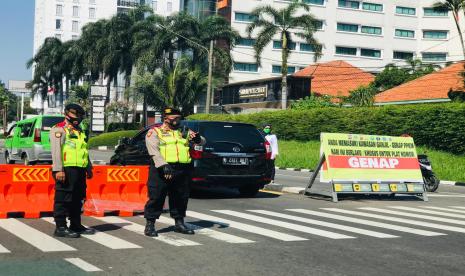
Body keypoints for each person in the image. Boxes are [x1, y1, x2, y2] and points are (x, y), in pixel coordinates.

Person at [144, 107, 205, 237]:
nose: (178, 120)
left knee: (181, 197)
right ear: (166, 118)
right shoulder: (155, 131)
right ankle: (150, 224)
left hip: (182, 169)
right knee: (157, 196)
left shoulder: (184, 131)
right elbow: (153, 150)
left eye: (179, 118)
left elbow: (202, 141)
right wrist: (163, 165)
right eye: (174, 118)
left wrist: (199, 139)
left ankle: (179, 223)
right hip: (162, 169)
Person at [50, 103, 95, 238]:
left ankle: (75, 224)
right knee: (63, 199)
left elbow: (83, 151)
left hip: (79, 170)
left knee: (77, 198)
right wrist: (58, 170)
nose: (78, 118)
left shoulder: (79, 131)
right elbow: (56, 151)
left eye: (80, 115)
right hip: (66, 169)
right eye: (75, 114)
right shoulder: (59, 129)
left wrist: (88, 167)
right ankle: (60, 227)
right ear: (67, 114)